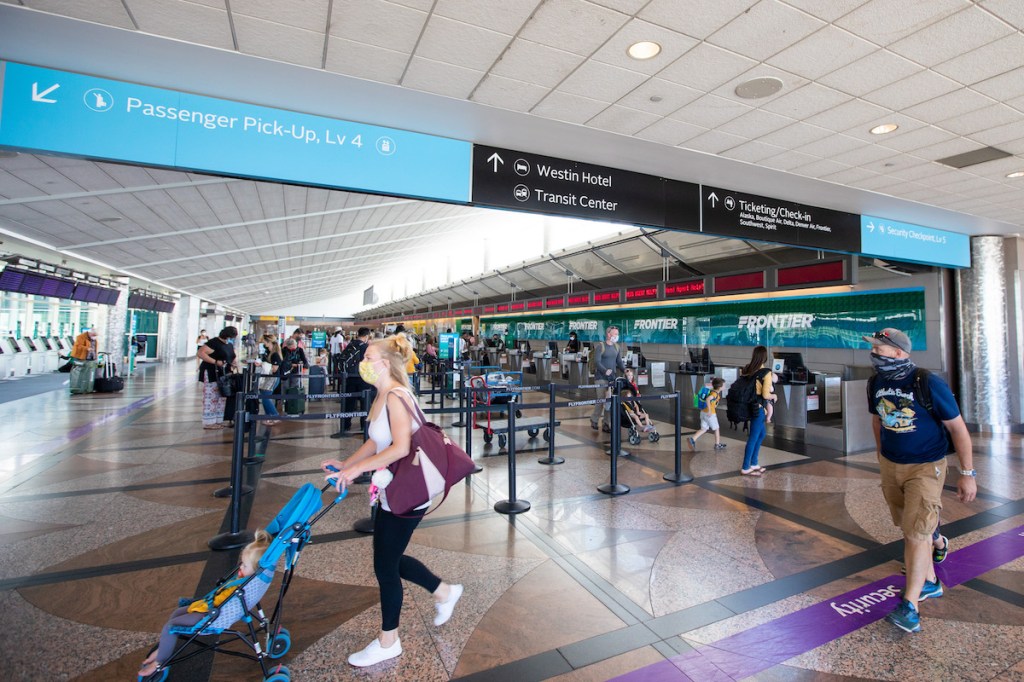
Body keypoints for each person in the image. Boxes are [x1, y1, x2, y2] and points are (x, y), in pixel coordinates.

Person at [320, 334, 462, 667]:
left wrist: (354, 473)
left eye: (368, 358)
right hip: (393, 488)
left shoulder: (397, 396)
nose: (363, 363)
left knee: (385, 565)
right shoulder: (382, 394)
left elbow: (398, 447)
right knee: (387, 559)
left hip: (408, 491)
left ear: (385, 362)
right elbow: (375, 442)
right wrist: (348, 464)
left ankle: (389, 641)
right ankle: (444, 592)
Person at [863, 328, 976, 633]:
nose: (874, 353)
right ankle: (930, 579)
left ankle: (910, 605)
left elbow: (958, 429)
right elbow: (877, 418)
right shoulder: (876, 381)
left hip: (926, 467)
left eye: (879, 349)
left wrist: (967, 474)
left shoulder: (927, 381)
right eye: (873, 348)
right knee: (911, 527)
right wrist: (880, 453)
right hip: (891, 464)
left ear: (899, 352)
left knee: (915, 533)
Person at [137, 530, 272, 678]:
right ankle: (164, 649)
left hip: (211, 617)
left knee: (170, 627)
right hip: (212, 608)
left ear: (255, 570)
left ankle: (159, 663)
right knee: (176, 614)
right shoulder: (252, 580)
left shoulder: (242, 586)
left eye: (244, 566)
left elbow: (221, 601)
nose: (240, 568)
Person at [739, 345, 773, 476]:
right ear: (765, 357)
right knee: (753, 437)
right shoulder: (766, 372)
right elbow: (765, 395)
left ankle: (754, 462)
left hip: (749, 406)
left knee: (761, 434)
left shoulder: (748, 368)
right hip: (758, 409)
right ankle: (746, 466)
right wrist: (774, 396)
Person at [197, 326, 238, 430]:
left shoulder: (229, 344)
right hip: (212, 373)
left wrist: (233, 362)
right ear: (226, 335)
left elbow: (232, 356)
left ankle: (218, 420)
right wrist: (216, 362)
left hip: (224, 374)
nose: (232, 339)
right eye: (231, 337)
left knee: (222, 396)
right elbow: (200, 353)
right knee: (211, 397)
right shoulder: (213, 342)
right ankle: (209, 422)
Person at [336, 327, 372, 431]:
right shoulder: (365, 347)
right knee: (364, 403)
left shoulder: (350, 345)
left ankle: (345, 425)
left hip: (349, 378)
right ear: (366, 336)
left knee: (349, 403)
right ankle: (364, 426)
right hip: (362, 379)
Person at [591, 326, 624, 431]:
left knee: (609, 401)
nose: (616, 336)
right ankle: (594, 419)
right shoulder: (601, 346)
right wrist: (605, 370)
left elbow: (619, 362)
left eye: (617, 334)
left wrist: (625, 370)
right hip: (601, 377)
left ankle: (606, 422)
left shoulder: (617, 347)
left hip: (611, 378)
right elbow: (597, 362)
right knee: (601, 399)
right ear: (608, 334)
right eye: (615, 334)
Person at [689, 377, 727, 451]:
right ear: (719, 387)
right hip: (710, 414)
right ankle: (717, 444)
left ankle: (692, 439)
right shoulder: (714, 394)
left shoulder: (712, 391)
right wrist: (710, 410)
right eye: (724, 385)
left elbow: (713, 403)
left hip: (703, 412)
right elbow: (708, 399)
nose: (725, 386)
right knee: (716, 428)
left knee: (703, 429)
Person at [258, 336, 282, 425]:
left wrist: (263, 364)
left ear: (269, 342)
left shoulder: (275, 355)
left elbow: (274, 369)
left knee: (266, 397)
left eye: (264, 341)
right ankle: (269, 417)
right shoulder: (269, 353)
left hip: (272, 378)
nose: (263, 343)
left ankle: (275, 416)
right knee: (265, 397)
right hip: (268, 378)